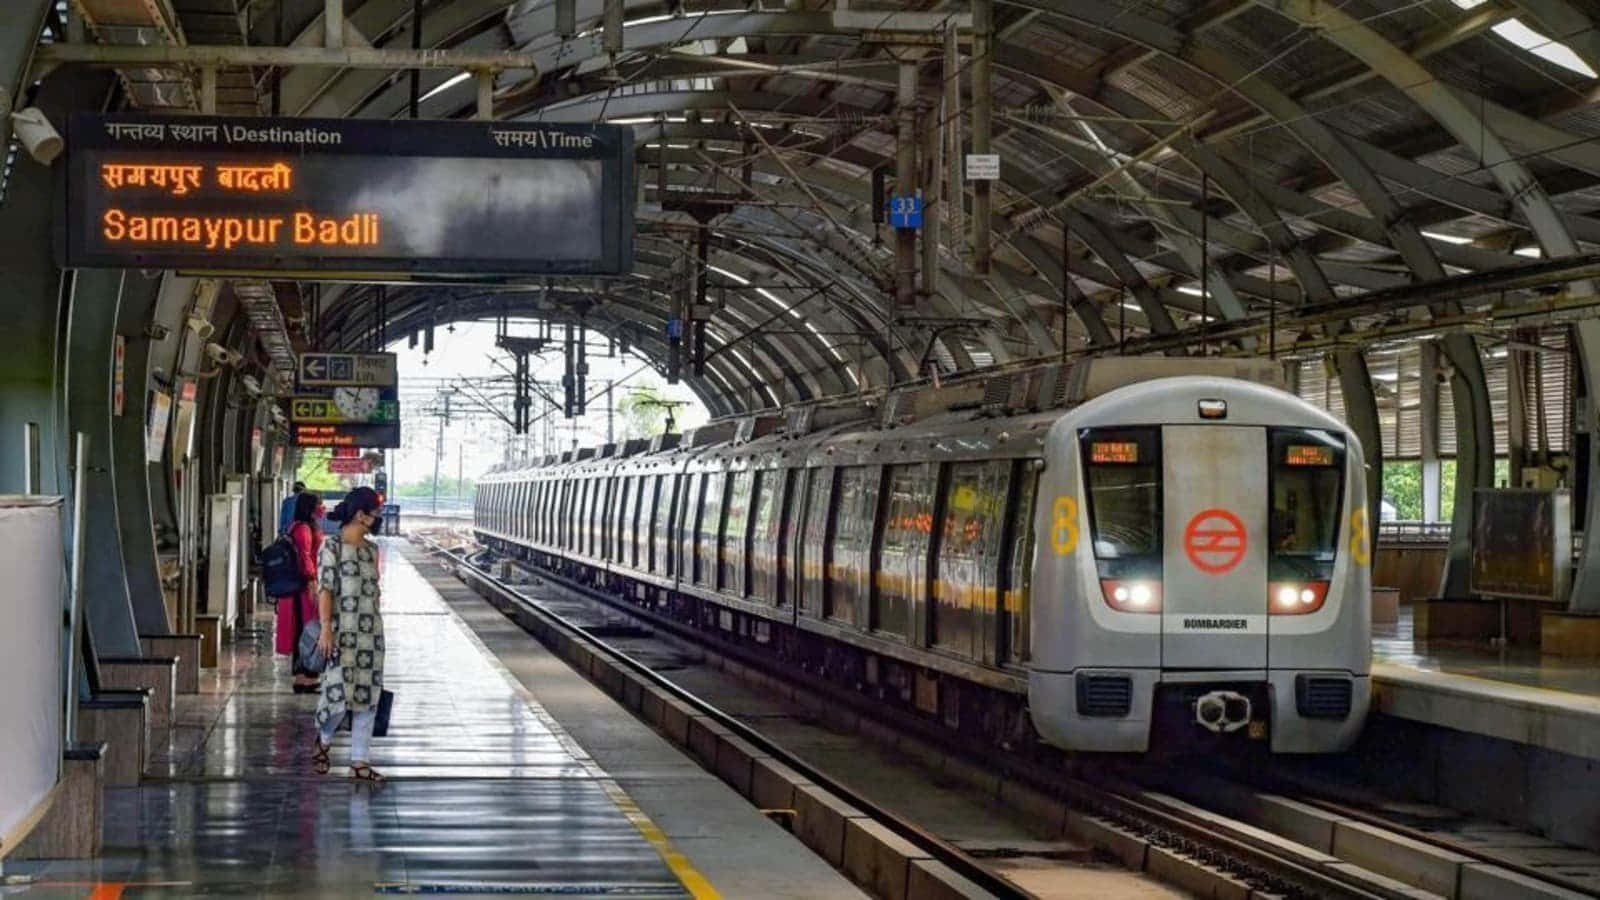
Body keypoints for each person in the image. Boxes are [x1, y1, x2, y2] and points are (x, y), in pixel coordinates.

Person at [312, 486, 386, 783]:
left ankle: (360, 761)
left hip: (372, 635)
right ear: (360, 515)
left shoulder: (371, 550)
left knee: (367, 698)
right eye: (375, 513)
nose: (378, 518)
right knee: (338, 696)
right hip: (342, 634)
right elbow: (325, 590)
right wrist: (326, 629)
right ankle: (324, 740)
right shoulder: (331, 547)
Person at [276, 491, 323, 693]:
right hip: (302, 588)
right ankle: (304, 676)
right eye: (319, 505)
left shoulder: (299, 526)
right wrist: (312, 581)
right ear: (310, 508)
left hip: (301, 586)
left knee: (304, 630)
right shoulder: (303, 529)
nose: (322, 508)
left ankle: (305, 675)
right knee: (306, 630)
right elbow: (305, 558)